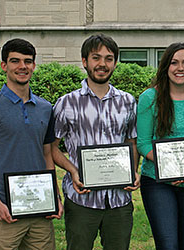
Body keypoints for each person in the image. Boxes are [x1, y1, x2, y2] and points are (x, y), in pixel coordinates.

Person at [51, 34, 140, 250]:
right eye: (96, 57)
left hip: (119, 199)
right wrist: (73, 171)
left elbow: (131, 141)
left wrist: (133, 171)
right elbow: (51, 148)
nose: (102, 64)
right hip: (82, 199)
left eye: (109, 58)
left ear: (115, 63)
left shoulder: (127, 102)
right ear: (84, 62)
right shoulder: (66, 103)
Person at [0, 38, 62, 249]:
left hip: (40, 209)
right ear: (4, 65)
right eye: (15, 61)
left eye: (28, 61)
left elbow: (47, 154)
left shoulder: (45, 107)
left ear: (34, 66)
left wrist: (54, 196)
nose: (22, 67)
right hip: (4, 210)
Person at [136, 42, 184, 250]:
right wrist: (171, 167)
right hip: (157, 181)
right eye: (174, 63)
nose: (180, 68)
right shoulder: (149, 98)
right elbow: (143, 143)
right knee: (168, 245)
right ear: (165, 67)